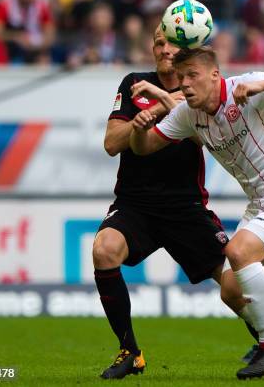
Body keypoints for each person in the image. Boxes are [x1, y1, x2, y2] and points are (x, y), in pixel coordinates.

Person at [129, 46, 264, 379]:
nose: (185, 84)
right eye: (181, 78)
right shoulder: (188, 114)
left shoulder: (248, 86)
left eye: (192, 75)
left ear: (214, 75)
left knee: (237, 251)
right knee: (231, 290)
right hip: (262, 204)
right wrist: (137, 129)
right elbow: (145, 147)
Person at [92, 25, 233, 379]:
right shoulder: (133, 83)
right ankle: (130, 352)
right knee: (104, 250)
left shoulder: (196, 85)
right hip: (136, 204)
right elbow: (112, 143)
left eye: (171, 41)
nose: (164, 47)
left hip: (185, 206)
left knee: (233, 280)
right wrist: (150, 112)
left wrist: (162, 105)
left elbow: (207, 139)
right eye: (158, 42)